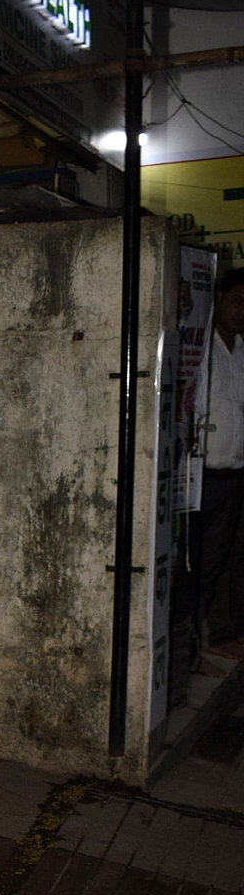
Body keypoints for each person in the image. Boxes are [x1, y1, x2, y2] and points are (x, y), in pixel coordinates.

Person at [196, 267, 244, 660]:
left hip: (235, 475)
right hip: (200, 476)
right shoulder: (200, 349)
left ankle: (215, 637)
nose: (242, 311)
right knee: (194, 567)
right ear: (218, 299)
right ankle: (193, 647)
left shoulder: (243, 350)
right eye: (237, 301)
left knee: (223, 562)